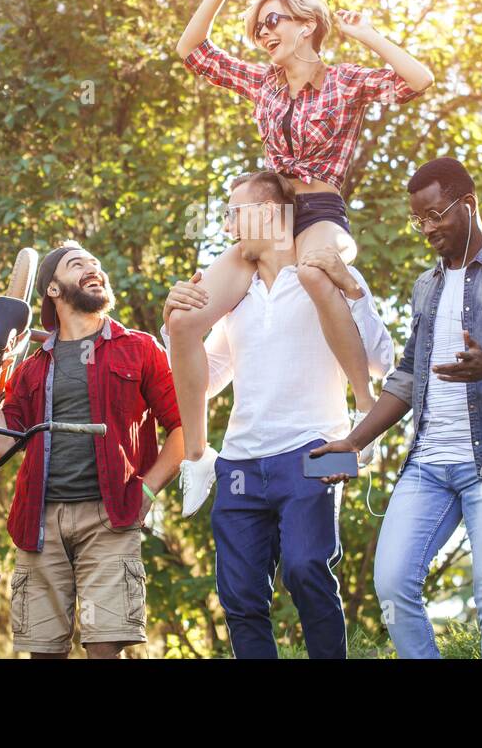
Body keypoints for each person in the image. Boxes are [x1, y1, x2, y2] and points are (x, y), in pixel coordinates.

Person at [170, 0, 433, 465]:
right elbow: (193, 52)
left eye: (273, 21)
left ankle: (364, 405)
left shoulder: (345, 82)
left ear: (307, 24)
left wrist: (366, 35)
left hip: (320, 211)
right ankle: (199, 455)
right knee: (184, 319)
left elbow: (417, 80)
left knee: (314, 273)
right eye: (258, 29)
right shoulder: (262, 83)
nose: (264, 33)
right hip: (271, 216)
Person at [312, 157, 482, 659]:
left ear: (468, 204)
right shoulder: (425, 286)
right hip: (428, 465)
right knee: (392, 585)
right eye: (419, 220)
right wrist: (354, 440)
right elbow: (407, 377)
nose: (428, 229)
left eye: (436, 215)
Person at [162, 171, 392, 658]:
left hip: (314, 451)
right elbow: (209, 380)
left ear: (269, 214)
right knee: (240, 596)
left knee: (308, 569)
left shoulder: (320, 275)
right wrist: (174, 329)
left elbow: (381, 360)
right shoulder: (238, 300)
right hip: (242, 462)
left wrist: (353, 290)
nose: (228, 229)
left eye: (233, 214)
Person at [0, 243, 184, 658]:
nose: (94, 269)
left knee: (105, 648)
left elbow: (183, 427)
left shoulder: (138, 348)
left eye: (96, 264)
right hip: (39, 524)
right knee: (43, 652)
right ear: (53, 289)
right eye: (78, 264)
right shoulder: (34, 366)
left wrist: (147, 490)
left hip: (111, 518)